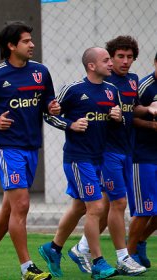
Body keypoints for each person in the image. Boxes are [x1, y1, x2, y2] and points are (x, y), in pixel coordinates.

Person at [0, 22, 60, 280]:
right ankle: (26, 268)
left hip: (32, 148)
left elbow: (48, 106)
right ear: (11, 46)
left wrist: (54, 110)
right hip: (8, 149)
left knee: (10, 209)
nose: (32, 45)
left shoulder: (41, 72)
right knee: (22, 205)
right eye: (26, 41)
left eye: (31, 41)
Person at [39, 47, 122, 279]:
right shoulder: (74, 90)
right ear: (91, 66)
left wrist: (118, 117)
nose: (111, 63)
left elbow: (115, 125)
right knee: (96, 207)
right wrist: (70, 124)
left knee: (78, 207)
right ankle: (97, 262)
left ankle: (53, 248)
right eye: (106, 60)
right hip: (78, 158)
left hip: (99, 158)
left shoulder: (111, 91)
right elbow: (49, 114)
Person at [67, 36, 146, 276]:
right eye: (119, 57)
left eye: (129, 57)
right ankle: (123, 257)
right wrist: (66, 119)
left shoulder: (132, 81)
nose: (124, 62)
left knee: (96, 207)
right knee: (116, 203)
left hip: (126, 149)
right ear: (108, 60)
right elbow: (68, 109)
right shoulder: (102, 83)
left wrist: (148, 110)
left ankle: (79, 248)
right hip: (106, 151)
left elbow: (131, 110)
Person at [127, 52, 157, 267]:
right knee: (145, 209)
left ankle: (139, 242)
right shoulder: (144, 86)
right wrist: (150, 124)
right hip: (143, 155)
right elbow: (129, 116)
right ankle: (127, 258)